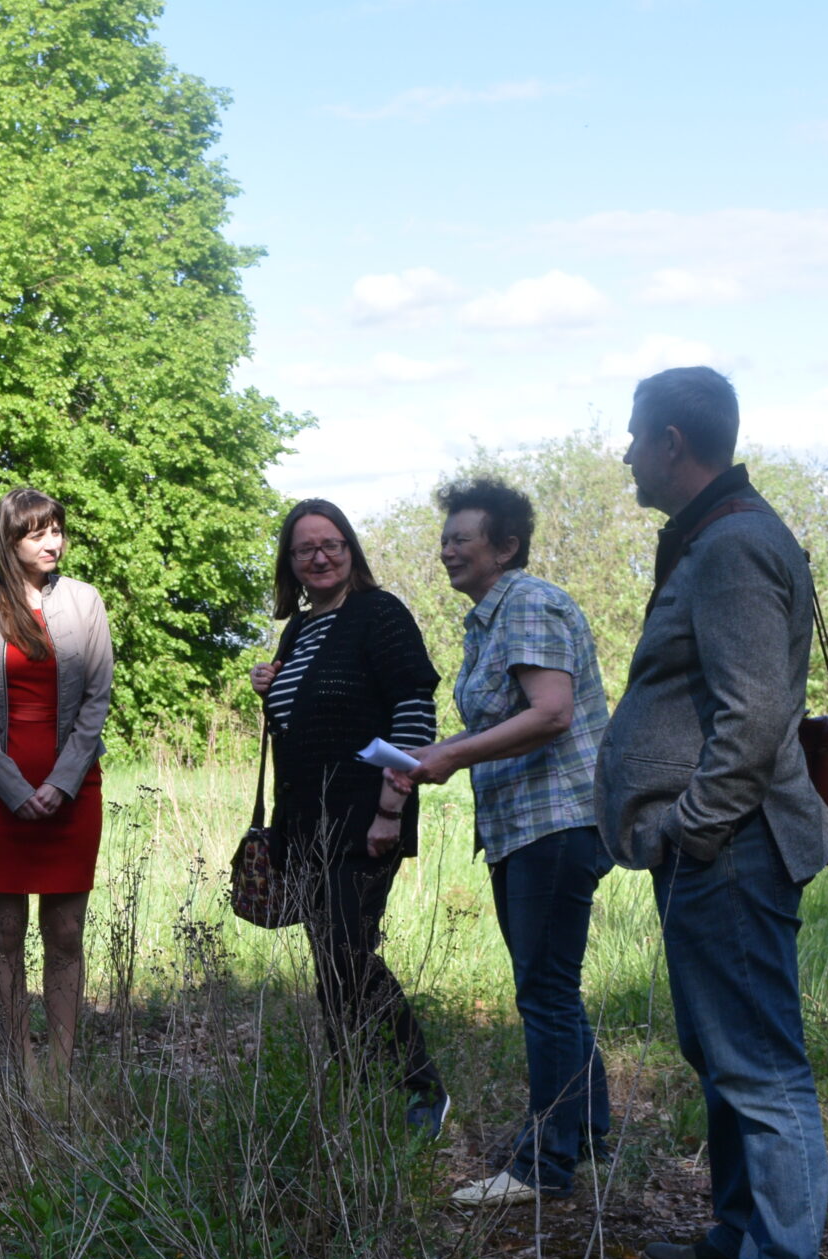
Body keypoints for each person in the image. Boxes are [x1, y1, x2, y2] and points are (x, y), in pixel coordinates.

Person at [599, 367, 828, 1259]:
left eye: (630, 437)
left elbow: (749, 719)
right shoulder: (724, 534)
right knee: (725, 1055)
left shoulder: (734, 545)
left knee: (759, 1067)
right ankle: (742, 1243)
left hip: (730, 845)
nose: (622, 455)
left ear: (669, 442)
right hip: (720, 845)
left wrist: (691, 826)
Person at [392, 476, 614, 1204]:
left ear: (506, 545)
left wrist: (452, 754)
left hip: (556, 820)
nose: (447, 548)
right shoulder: (490, 619)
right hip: (524, 826)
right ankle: (588, 1134)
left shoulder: (528, 602)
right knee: (554, 988)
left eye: (462, 537)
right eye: (445, 537)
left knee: (544, 993)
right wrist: (434, 755)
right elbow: (505, 720)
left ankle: (541, 1167)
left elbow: (551, 712)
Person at [248, 499, 447, 1134]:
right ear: (291, 563)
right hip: (303, 823)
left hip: (366, 817)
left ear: (350, 549)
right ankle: (358, 1090)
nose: (320, 556)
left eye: (331, 543)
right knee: (330, 959)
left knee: (347, 953)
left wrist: (392, 808)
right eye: (305, 548)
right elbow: (302, 727)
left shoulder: (379, 615)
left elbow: (413, 715)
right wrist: (271, 687)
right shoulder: (299, 630)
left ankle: (423, 1089)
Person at [0, 490, 113, 1080]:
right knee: (5, 934)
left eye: (57, 531)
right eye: (38, 533)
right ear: (9, 540)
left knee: (65, 933)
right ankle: (21, 1070)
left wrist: (61, 783)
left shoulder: (85, 602)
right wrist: (16, 789)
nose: (53, 543)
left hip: (72, 793)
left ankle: (62, 1072)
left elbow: (97, 700)